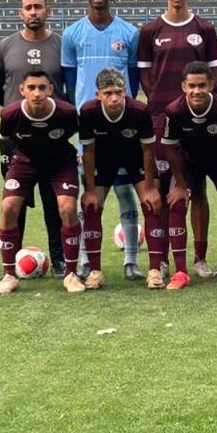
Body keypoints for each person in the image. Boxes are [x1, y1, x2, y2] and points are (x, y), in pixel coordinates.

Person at [138, 0, 217, 278]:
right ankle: (160, 259)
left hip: (199, 121)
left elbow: (215, 74)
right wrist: (161, 102)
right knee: (161, 188)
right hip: (162, 119)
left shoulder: (205, 28)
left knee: (196, 188)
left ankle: (199, 258)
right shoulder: (150, 31)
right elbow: (145, 75)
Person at [62, 0, 143, 279]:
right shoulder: (72, 34)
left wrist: (125, 110)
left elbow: (133, 80)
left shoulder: (129, 33)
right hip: (89, 128)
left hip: (122, 126)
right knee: (91, 194)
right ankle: (85, 258)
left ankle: (132, 261)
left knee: (125, 192)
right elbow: (70, 82)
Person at [0, 0, 67, 272]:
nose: (34, 12)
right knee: (14, 200)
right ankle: (13, 260)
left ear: (48, 11)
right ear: (21, 13)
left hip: (53, 138)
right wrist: (17, 114)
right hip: (15, 139)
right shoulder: (5, 47)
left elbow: (66, 89)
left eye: (38, 7)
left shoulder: (62, 45)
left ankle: (59, 259)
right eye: (28, 8)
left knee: (53, 200)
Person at [0, 69, 84, 295]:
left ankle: (71, 274)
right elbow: (7, 139)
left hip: (60, 163)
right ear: (22, 90)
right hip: (25, 162)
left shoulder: (67, 112)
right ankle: (8, 276)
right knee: (8, 208)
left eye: (42, 88)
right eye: (31, 88)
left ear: (51, 90)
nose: (37, 93)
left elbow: (79, 135)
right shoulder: (10, 114)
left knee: (68, 207)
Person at [160, 62, 217, 289]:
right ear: (183, 86)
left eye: (202, 85)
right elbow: (169, 147)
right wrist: (180, 184)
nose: (196, 91)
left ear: (211, 84)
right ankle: (182, 271)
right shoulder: (174, 110)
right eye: (191, 86)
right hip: (188, 161)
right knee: (178, 201)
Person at [78, 68, 166, 290]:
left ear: (126, 91)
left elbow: (148, 150)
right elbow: (88, 152)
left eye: (119, 91)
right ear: (98, 95)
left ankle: (155, 270)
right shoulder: (88, 112)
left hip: (134, 157)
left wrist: (151, 187)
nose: (115, 98)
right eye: (108, 93)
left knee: (151, 203)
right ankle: (95, 271)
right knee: (91, 206)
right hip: (103, 161)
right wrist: (89, 189)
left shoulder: (139, 111)